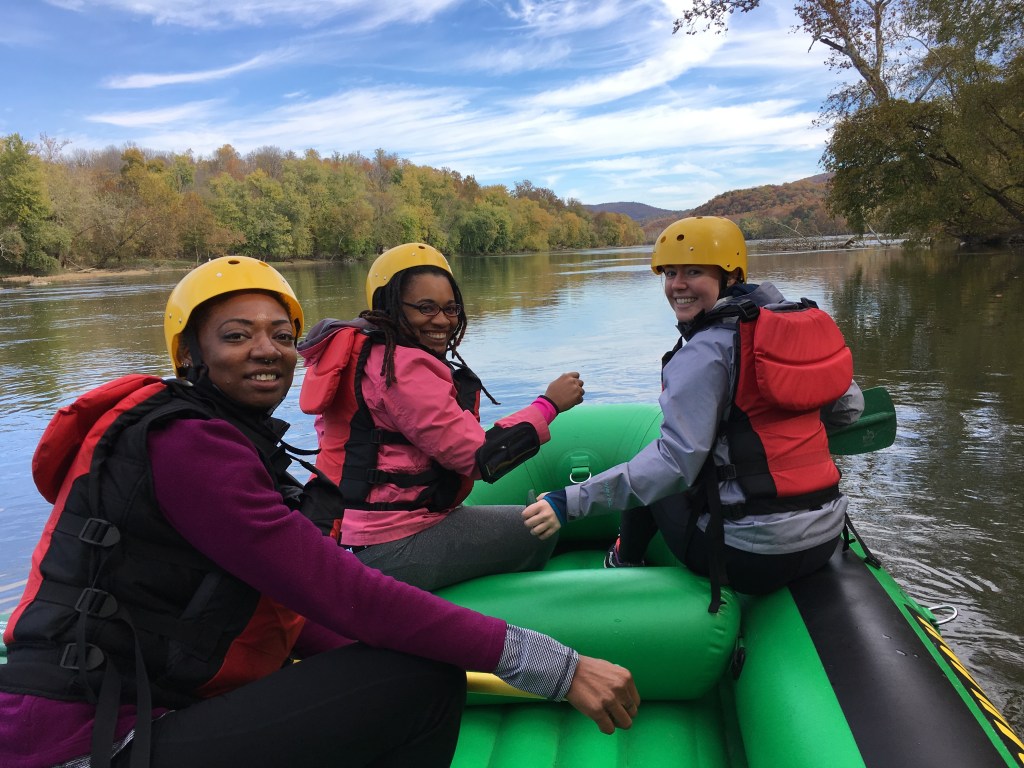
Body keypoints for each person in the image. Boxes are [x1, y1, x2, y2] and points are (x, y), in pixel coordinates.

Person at [0, 256, 638, 768]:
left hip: (142, 709)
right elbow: (343, 591)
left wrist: (424, 648)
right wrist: (547, 662)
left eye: (281, 336)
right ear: (190, 352)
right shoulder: (187, 446)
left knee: (420, 665)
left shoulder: (210, 434)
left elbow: (287, 611)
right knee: (426, 682)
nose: (267, 350)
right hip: (88, 740)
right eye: (236, 335)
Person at [522, 216, 864, 607]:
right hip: (825, 539)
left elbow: (672, 465)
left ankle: (623, 559)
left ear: (730, 276)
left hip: (749, 559)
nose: (677, 285)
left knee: (651, 469)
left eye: (694, 271)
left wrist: (569, 502)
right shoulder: (800, 328)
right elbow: (849, 409)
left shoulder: (703, 353)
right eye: (669, 273)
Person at [297, 242, 585, 590]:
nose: (443, 320)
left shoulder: (363, 354)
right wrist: (548, 404)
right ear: (389, 304)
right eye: (425, 307)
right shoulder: (401, 368)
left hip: (350, 531)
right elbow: (480, 458)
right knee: (537, 528)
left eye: (451, 308)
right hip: (388, 546)